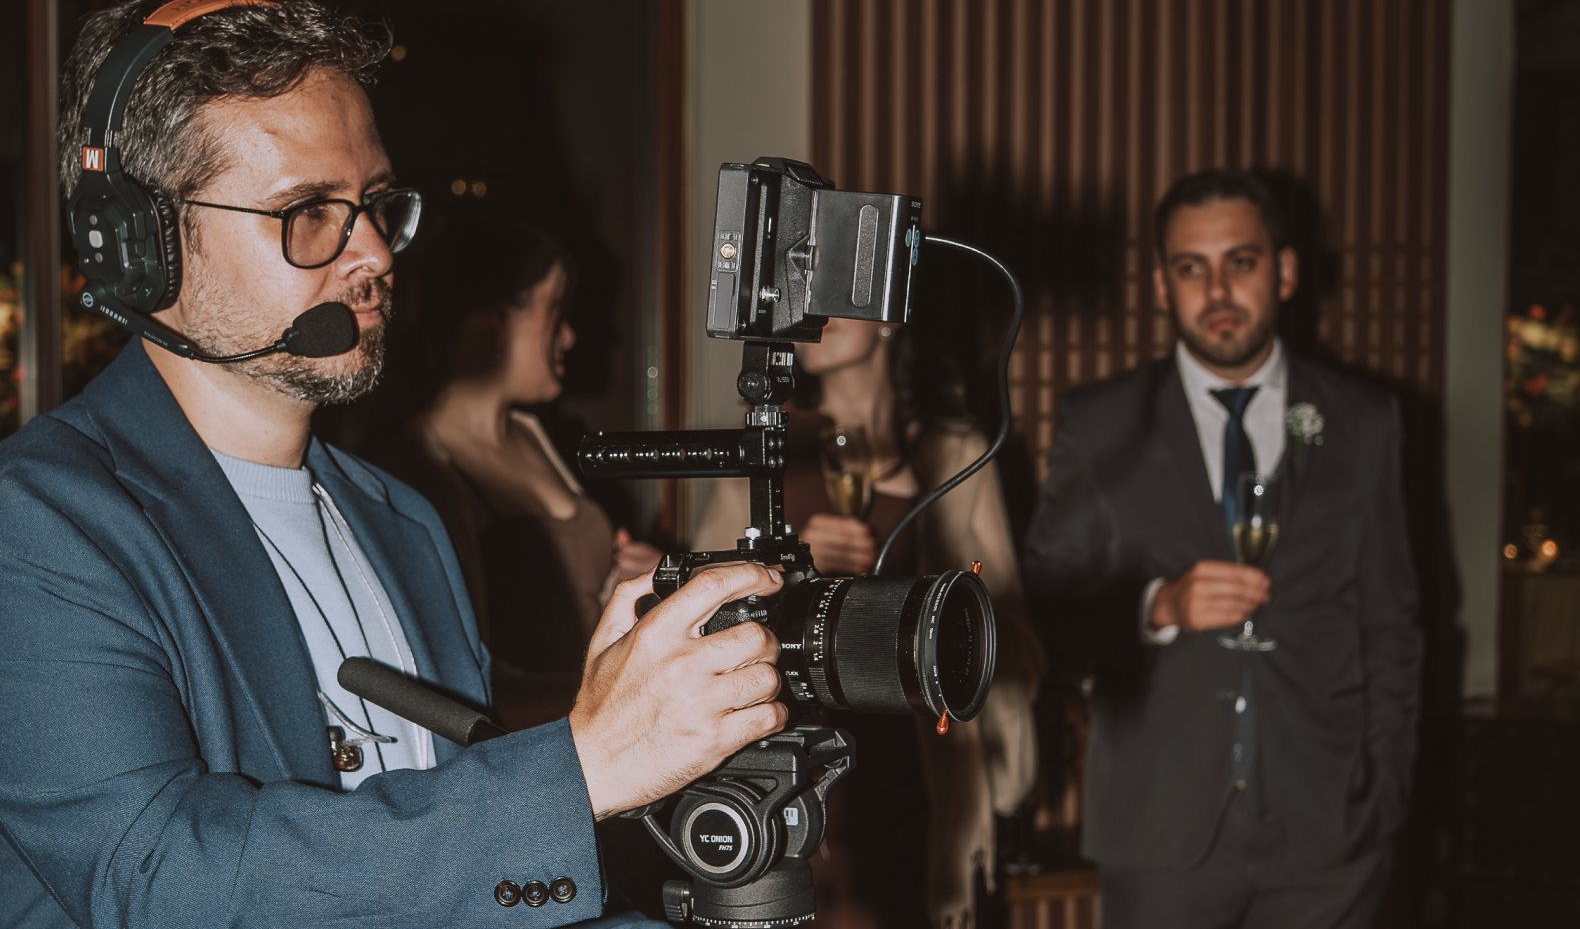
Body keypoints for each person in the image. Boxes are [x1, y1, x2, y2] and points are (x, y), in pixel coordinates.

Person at [0, 0, 788, 929]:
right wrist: (582, 768)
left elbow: (462, 887)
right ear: (141, 246)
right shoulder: (22, 531)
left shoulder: (402, 520)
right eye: (308, 212)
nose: (372, 252)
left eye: (374, 205)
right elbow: (163, 884)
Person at [1022, 169, 1421, 928]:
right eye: (1190, 267)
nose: (1217, 290)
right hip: (1159, 825)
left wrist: (1383, 792)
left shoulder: (1365, 421)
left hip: (1330, 834)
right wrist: (1156, 606)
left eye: (1240, 261)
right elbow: (1044, 599)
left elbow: (1392, 626)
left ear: (1286, 272)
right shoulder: (1101, 422)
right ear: (1161, 286)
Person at [692, 314, 1044, 929]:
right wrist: (789, 573)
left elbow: (1010, 636)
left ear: (888, 314)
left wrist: (935, 611)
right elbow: (704, 621)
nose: (816, 316)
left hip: (914, 771)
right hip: (790, 766)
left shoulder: (954, 453)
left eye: (836, 298)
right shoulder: (767, 446)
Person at [372, 215, 660, 729]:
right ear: (492, 321)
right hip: (543, 741)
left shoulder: (531, 433)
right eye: (555, 310)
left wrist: (630, 585)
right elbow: (461, 682)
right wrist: (625, 691)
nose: (569, 335)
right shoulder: (420, 467)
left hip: (607, 722)